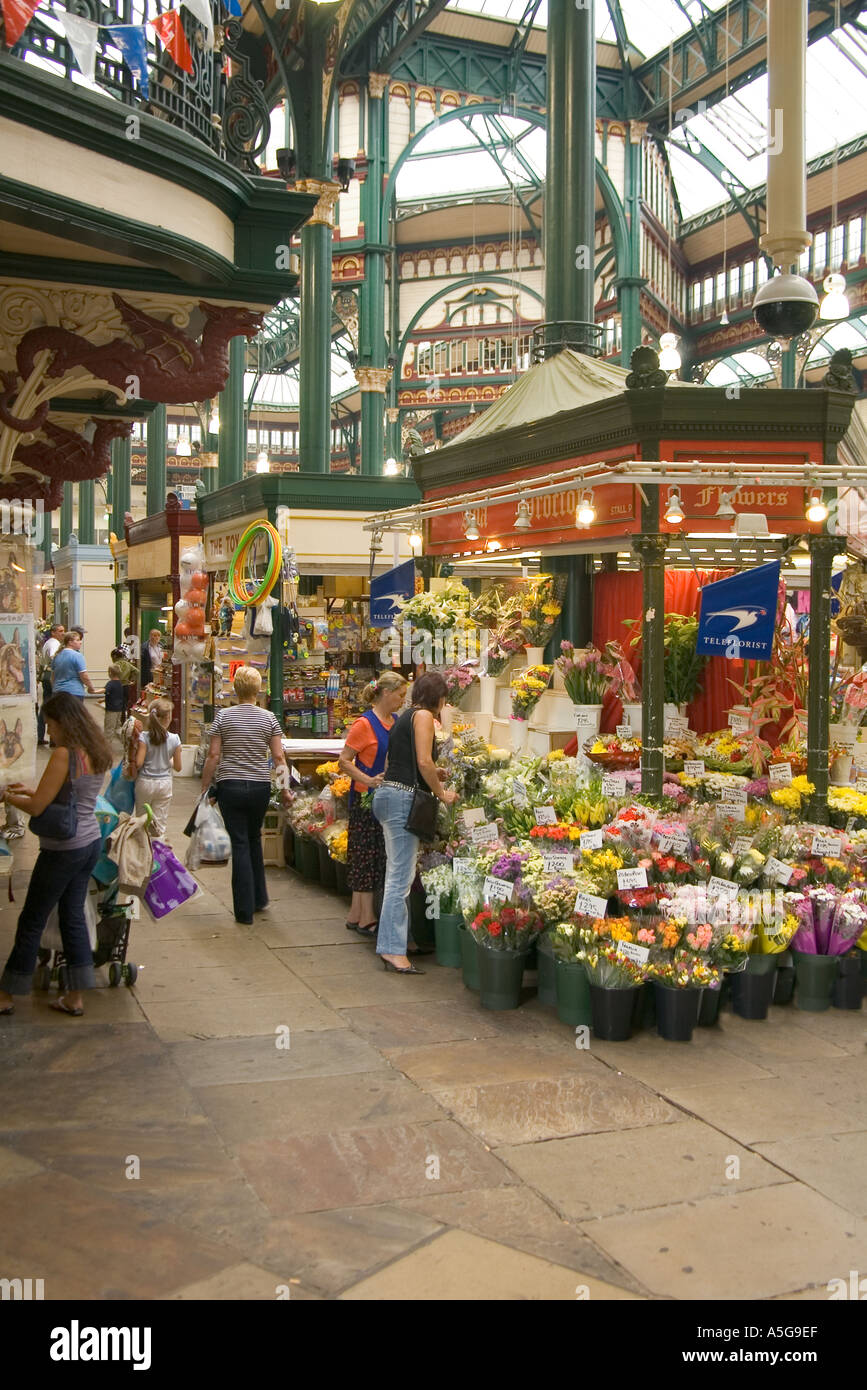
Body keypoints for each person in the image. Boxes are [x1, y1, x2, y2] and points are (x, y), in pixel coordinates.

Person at [0, 692, 112, 1017]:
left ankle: (7, 993)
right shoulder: (92, 750)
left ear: (63, 722)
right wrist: (30, 791)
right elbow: (68, 795)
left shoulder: (64, 754)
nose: (48, 731)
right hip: (88, 842)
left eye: (50, 724)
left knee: (32, 918)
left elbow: (39, 807)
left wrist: (8, 796)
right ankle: (75, 996)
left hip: (63, 849)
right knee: (72, 916)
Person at [372, 672, 457, 975]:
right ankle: (393, 950)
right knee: (400, 877)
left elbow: (398, 762)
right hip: (402, 801)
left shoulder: (404, 717)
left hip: (388, 796)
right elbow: (423, 761)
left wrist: (436, 774)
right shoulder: (423, 716)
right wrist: (442, 793)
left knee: (397, 874)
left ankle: (400, 941)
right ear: (440, 698)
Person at [200, 666, 291, 925]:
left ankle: (243, 910)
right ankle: (259, 898)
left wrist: (206, 786)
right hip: (259, 787)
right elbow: (278, 757)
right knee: (253, 839)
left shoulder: (222, 718)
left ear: (235, 688)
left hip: (231, 786)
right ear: (258, 688)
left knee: (239, 842)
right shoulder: (269, 719)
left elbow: (214, 756)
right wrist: (284, 788)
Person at [338, 671, 408, 938]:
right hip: (367, 801)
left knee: (369, 855)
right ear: (386, 693)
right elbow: (344, 760)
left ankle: (356, 913)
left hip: (387, 798)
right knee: (366, 856)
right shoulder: (364, 724)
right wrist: (368, 778)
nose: (402, 700)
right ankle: (366, 917)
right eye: (400, 695)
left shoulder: (396, 722)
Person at [134, 697, 181, 841]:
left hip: (145, 783)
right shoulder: (175, 739)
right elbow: (178, 767)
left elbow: (138, 763)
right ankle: (157, 854)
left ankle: (141, 853)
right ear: (168, 718)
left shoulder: (143, 737)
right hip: (164, 784)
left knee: (142, 821)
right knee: (159, 824)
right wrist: (169, 760)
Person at [36, 623, 64, 744]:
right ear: (53, 632)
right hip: (51, 677)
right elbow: (54, 657)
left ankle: (41, 735)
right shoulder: (54, 643)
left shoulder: (49, 642)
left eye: (63, 631)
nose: (62, 633)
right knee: (52, 706)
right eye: (60, 631)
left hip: (46, 677)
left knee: (46, 706)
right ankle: (53, 738)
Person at [51, 631, 95, 701]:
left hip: (57, 692)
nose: (80, 642)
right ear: (70, 642)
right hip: (73, 692)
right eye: (78, 640)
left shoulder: (57, 656)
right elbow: (84, 675)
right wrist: (91, 688)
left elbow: (53, 677)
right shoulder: (77, 656)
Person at [103, 663, 126, 749]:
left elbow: (105, 690)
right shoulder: (119, 683)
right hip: (119, 709)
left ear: (110, 673)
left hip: (111, 709)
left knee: (109, 728)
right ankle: (126, 742)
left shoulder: (111, 683)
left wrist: (93, 691)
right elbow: (116, 695)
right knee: (117, 728)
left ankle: (106, 748)